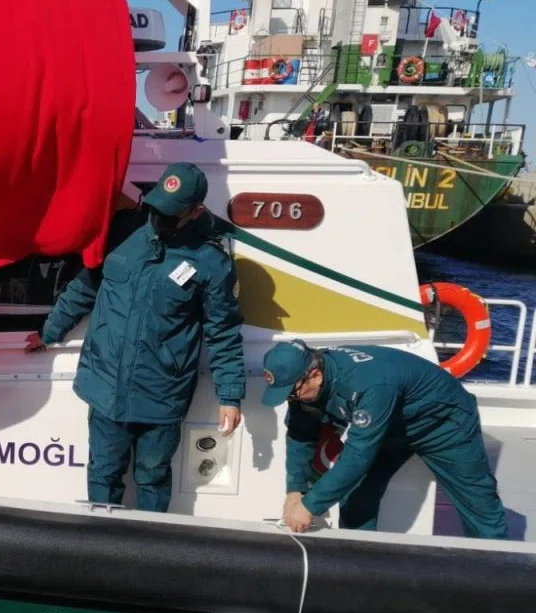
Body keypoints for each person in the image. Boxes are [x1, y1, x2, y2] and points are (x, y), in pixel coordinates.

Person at [26, 162, 246, 511]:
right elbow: (84, 287)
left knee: (153, 477)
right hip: (106, 387)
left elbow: (223, 332)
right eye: (157, 208)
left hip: (162, 395)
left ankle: (149, 544)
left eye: (171, 213)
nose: (160, 217)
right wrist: (49, 332)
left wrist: (230, 396)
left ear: (195, 211)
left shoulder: (211, 262)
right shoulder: (122, 231)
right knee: (103, 474)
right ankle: (100, 541)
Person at [260, 340, 509, 539]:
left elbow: (358, 456)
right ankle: (359, 561)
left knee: (479, 504)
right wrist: (295, 490)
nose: (291, 400)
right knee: (356, 498)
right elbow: (300, 434)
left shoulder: (369, 384)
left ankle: (497, 569)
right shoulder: (305, 385)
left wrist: (309, 506)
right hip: (388, 427)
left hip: (443, 424)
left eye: (292, 393)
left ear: (314, 375)